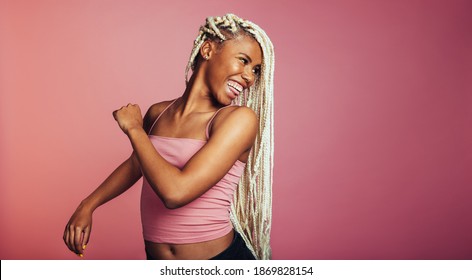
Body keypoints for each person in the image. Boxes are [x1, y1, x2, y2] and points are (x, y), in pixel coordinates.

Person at [63, 13, 274, 260]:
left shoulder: (238, 120)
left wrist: (134, 130)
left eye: (256, 70)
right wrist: (88, 205)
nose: (249, 77)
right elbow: (137, 164)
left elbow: (175, 193)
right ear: (207, 50)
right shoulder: (158, 112)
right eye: (243, 60)